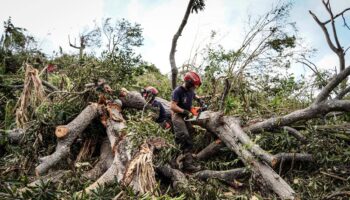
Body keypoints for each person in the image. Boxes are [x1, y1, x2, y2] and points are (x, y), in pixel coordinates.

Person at [170, 71, 204, 172]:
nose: (194, 88)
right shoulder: (178, 91)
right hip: (177, 115)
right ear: (188, 83)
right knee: (183, 136)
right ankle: (177, 162)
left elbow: (194, 95)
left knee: (190, 135)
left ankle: (187, 162)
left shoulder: (191, 90)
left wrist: (199, 100)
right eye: (193, 85)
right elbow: (172, 106)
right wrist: (184, 111)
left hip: (186, 116)